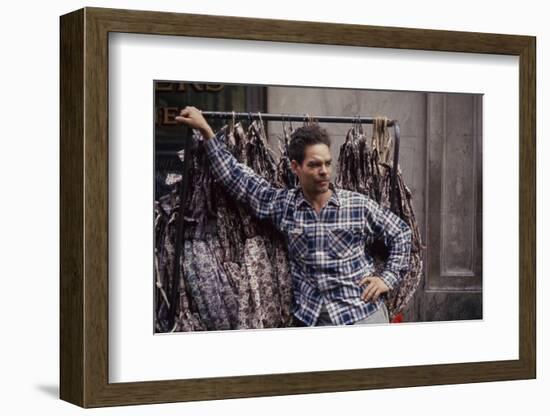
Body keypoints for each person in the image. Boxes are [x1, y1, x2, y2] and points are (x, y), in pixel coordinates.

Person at [176, 106, 412, 327]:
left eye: (328, 164)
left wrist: (387, 279)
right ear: (295, 167)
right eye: (315, 165)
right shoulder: (285, 206)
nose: (324, 171)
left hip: (363, 317)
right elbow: (239, 180)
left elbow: (401, 233)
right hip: (312, 321)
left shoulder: (357, 205)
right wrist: (206, 131)